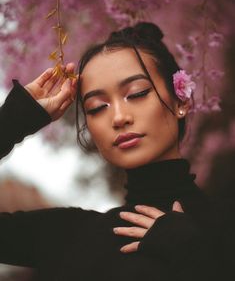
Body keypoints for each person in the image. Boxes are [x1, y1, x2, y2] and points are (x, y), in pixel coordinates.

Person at [0, 22, 230, 281]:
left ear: (181, 100)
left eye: (137, 93)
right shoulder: (69, 235)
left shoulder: (223, 226)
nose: (119, 117)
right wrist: (14, 120)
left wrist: (197, 257)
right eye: (98, 107)